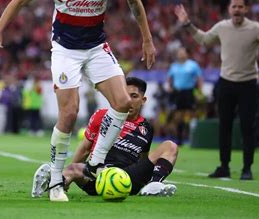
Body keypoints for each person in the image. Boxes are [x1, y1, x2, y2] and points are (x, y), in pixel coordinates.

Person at [0, 0, 156, 201]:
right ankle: (55, 181)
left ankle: (94, 164)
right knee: (68, 113)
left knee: (123, 103)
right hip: (65, 50)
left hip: (97, 47)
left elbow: (134, 0)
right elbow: (20, 0)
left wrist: (147, 39)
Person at [174, 0, 259, 180]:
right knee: (224, 127)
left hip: (248, 84)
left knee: (248, 127)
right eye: (234, 6)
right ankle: (224, 166)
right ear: (229, 9)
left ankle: (247, 169)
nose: (237, 10)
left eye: (241, 6)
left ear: (246, 9)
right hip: (226, 83)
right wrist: (187, 24)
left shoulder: (255, 29)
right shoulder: (222, 27)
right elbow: (204, 39)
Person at [31, 77, 178, 198]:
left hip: (129, 177)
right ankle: (54, 184)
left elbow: (144, 159)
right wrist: (70, 174)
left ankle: (153, 186)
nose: (129, 100)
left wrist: (144, 178)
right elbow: (84, 150)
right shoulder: (102, 115)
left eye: (134, 96)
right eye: (125, 95)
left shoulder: (147, 128)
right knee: (72, 168)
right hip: (99, 173)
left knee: (170, 146)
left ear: (143, 100)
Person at [167, 47, 203, 144]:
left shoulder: (193, 65)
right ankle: (180, 138)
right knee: (178, 116)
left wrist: (199, 92)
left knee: (191, 114)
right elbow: (170, 78)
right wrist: (170, 87)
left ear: (187, 54)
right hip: (178, 92)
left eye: (183, 53)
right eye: (179, 53)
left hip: (189, 92)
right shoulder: (174, 66)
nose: (181, 54)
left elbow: (199, 78)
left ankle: (193, 137)